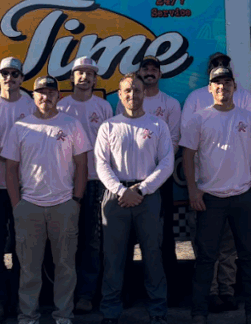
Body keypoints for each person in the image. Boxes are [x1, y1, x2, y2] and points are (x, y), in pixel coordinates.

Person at [2, 76, 90, 324]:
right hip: (29, 206)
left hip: (63, 205)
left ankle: (63, 315)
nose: (46, 97)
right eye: (41, 92)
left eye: (51, 92)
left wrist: (76, 200)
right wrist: (17, 205)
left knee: (65, 267)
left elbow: (82, 164)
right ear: (33, 96)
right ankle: (28, 316)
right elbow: (10, 169)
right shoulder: (21, 127)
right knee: (29, 269)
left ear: (58, 96)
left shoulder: (72, 125)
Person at [182, 66, 251, 324]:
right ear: (209, 88)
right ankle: (199, 312)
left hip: (243, 197)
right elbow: (187, 156)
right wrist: (193, 190)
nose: (222, 87)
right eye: (216, 83)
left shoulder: (248, 118)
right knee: (206, 259)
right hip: (210, 198)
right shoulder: (198, 118)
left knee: (249, 257)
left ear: (234, 87)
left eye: (227, 82)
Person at [96, 72, 176, 324]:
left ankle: (158, 311)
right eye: (127, 90)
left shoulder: (157, 125)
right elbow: (100, 164)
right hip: (115, 198)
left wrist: (141, 190)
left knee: (153, 256)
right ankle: (110, 312)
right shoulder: (109, 126)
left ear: (144, 94)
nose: (133, 95)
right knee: (113, 259)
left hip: (148, 197)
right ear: (120, 95)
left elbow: (166, 163)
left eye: (137, 90)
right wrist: (122, 191)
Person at [119, 55, 184, 302]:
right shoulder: (127, 99)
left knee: (163, 237)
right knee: (125, 239)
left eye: (153, 69)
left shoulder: (170, 104)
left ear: (159, 74)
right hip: (127, 182)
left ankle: (171, 292)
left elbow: (174, 142)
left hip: (159, 180)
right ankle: (125, 293)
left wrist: (154, 173)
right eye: (145, 69)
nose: (149, 72)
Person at [0, 57, 37, 322]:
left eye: (15, 73)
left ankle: (21, 302)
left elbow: (39, 144)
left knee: (23, 250)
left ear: (22, 78)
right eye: (5, 73)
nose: (10, 78)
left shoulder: (32, 105)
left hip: (26, 189)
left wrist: (10, 153)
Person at [57, 56, 116, 315]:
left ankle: (86, 294)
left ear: (95, 79)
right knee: (66, 241)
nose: (84, 77)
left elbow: (111, 147)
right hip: (65, 183)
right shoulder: (60, 107)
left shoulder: (103, 107)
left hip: (96, 182)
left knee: (93, 242)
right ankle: (64, 294)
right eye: (79, 72)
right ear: (72, 77)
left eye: (90, 73)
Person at [183, 52, 251, 117]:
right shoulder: (195, 97)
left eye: (224, 63)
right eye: (215, 63)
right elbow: (186, 128)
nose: (220, 66)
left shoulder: (244, 96)